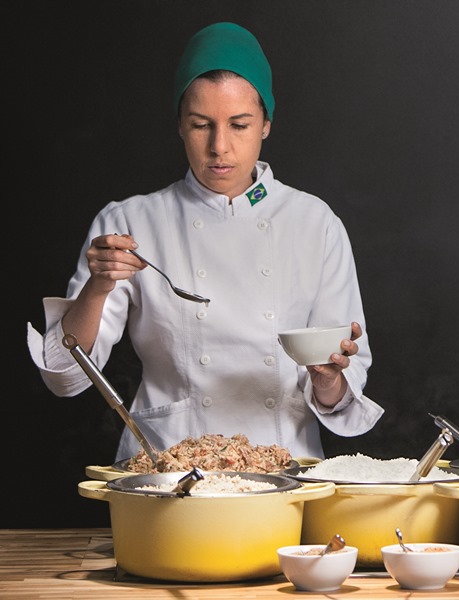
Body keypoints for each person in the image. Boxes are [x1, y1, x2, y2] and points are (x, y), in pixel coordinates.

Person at [26, 21, 383, 462]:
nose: (220, 147)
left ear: (266, 124)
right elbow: (65, 376)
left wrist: (329, 380)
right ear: (179, 125)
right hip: (167, 467)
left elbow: (342, 392)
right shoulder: (129, 222)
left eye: (239, 125)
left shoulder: (315, 223)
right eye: (201, 125)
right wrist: (97, 288)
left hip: (284, 469)